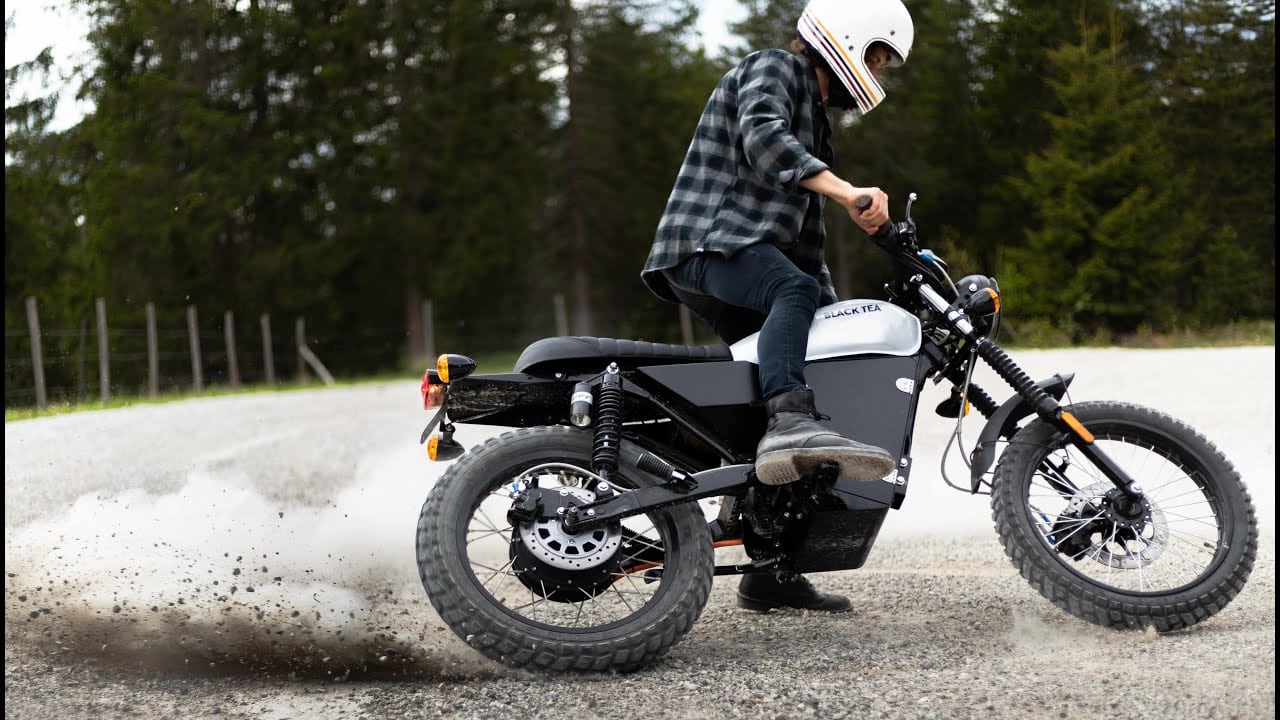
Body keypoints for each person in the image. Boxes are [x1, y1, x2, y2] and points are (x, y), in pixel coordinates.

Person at [640, 0, 914, 612]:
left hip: (731, 248)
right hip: (708, 239)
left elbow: (803, 250)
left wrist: (831, 324)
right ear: (847, 37)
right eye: (878, 56)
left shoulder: (815, 119)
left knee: (779, 341)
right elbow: (764, 142)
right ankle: (791, 421)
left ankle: (770, 568)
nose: (879, 72)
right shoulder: (775, 69)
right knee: (787, 297)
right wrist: (850, 192)